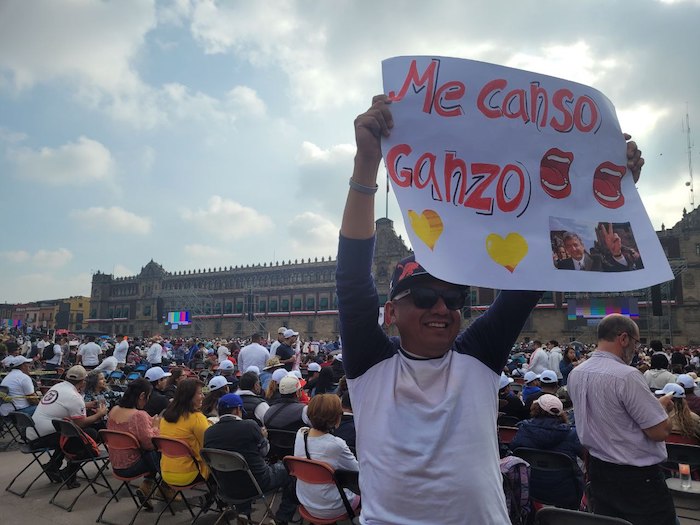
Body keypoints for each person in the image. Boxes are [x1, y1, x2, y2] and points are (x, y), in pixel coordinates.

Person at [338, 95, 645, 523]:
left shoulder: (476, 358)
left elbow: (538, 271)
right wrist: (367, 161)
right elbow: (351, 280)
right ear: (390, 313)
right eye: (425, 298)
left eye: (454, 298)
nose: (442, 308)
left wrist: (609, 193)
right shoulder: (371, 368)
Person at [568, 314, 677, 525]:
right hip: (637, 480)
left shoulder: (576, 373)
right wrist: (663, 410)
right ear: (624, 338)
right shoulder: (627, 376)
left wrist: (655, 407)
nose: (636, 348)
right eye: (636, 342)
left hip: (599, 472)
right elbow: (659, 432)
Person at [203, 393, 298, 525]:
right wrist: (263, 436)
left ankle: (243, 513)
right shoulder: (249, 426)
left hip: (226, 487)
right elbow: (265, 452)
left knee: (240, 472)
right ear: (237, 409)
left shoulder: (209, 432)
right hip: (257, 484)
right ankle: (282, 517)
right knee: (291, 470)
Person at [27, 365, 108, 487]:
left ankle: (53, 465)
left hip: (34, 433)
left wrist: (86, 405)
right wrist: (100, 414)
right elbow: (80, 423)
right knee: (89, 435)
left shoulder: (58, 387)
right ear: (83, 382)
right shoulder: (74, 397)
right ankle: (69, 472)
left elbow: (63, 405)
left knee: (73, 433)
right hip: (44, 437)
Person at [509, 394, 584, 508]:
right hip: (565, 494)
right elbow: (585, 457)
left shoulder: (523, 429)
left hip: (530, 489)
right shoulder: (572, 434)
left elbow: (513, 449)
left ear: (535, 409)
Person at [294, 394, 360, 520]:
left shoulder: (300, 434)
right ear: (335, 418)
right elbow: (357, 472)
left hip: (306, 502)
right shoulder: (336, 445)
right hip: (333, 507)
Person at [106, 378, 161, 506]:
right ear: (142, 396)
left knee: (150, 454)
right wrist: (155, 427)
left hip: (116, 465)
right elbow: (150, 444)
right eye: (148, 397)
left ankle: (147, 487)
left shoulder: (114, 410)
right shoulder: (138, 415)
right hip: (132, 467)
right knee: (162, 452)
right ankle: (165, 486)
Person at [159, 378, 210, 487]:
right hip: (190, 473)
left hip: (166, 472)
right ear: (189, 397)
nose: (203, 396)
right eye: (200, 393)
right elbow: (207, 446)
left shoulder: (165, 416)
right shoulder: (197, 418)